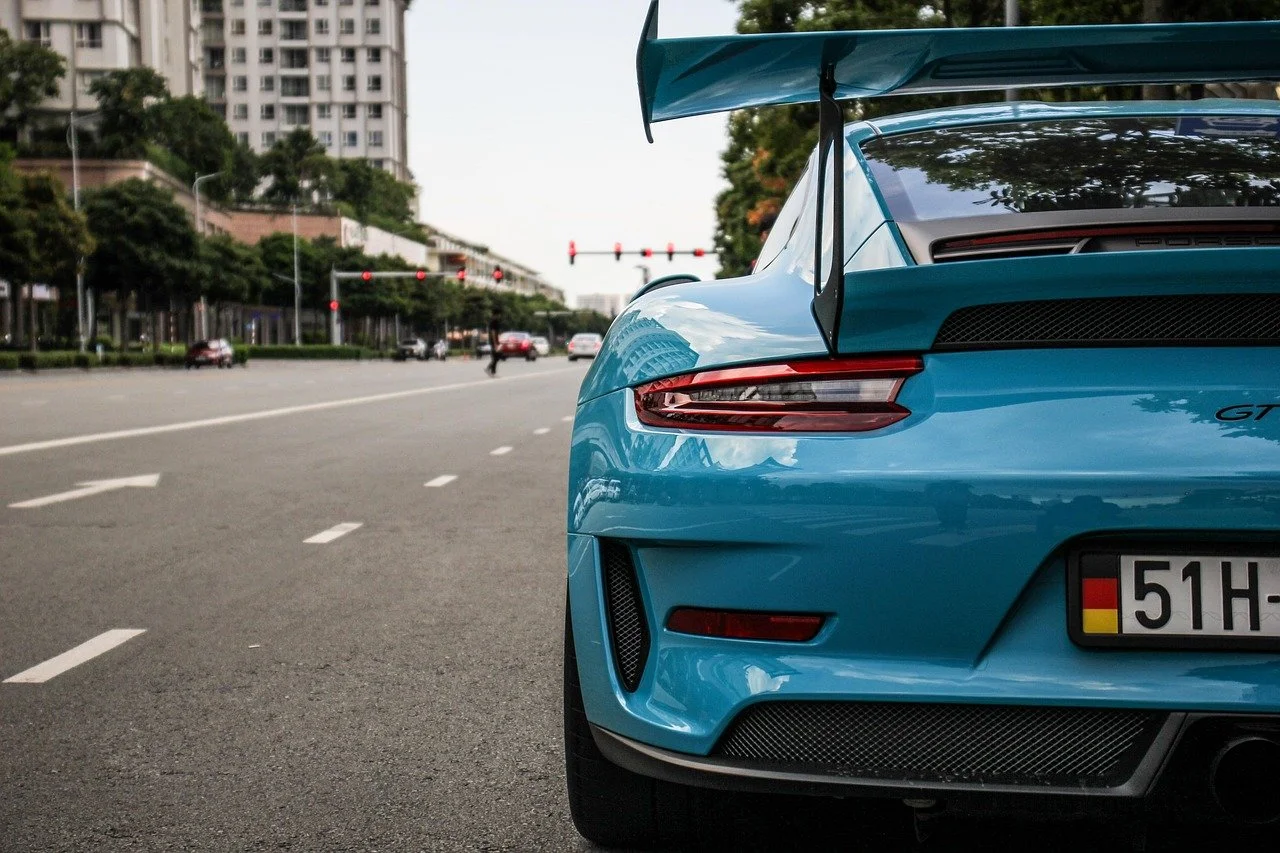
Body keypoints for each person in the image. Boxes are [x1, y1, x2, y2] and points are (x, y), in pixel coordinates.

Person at [484, 308, 502, 376]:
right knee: (497, 356)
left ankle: (492, 371)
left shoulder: (492, 321)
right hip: (494, 341)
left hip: (494, 341)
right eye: (499, 314)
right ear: (497, 314)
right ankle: (489, 369)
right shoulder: (494, 321)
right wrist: (495, 343)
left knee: (496, 356)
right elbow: (493, 332)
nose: (500, 316)